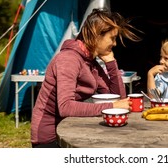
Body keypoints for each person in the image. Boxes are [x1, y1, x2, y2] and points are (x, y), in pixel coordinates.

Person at [31, 8, 141, 148]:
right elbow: (65, 107)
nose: (115, 44)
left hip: (72, 129)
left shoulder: (90, 62)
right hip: (49, 138)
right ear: (96, 34)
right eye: (112, 38)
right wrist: (112, 106)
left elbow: (118, 98)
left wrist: (111, 64)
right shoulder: (69, 59)